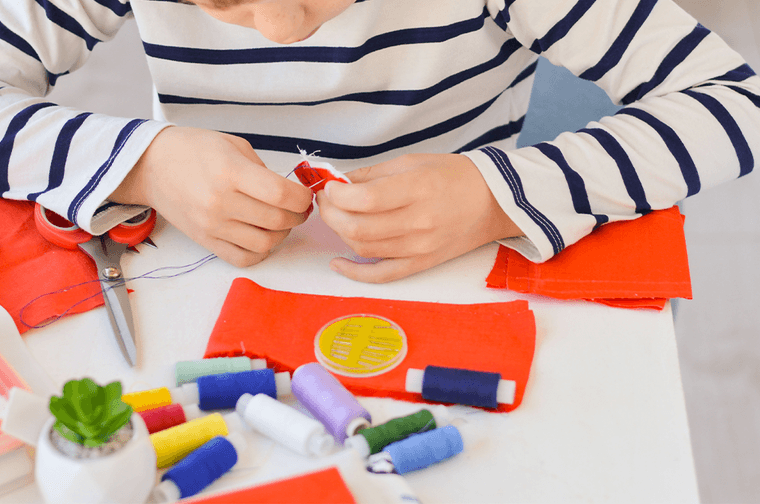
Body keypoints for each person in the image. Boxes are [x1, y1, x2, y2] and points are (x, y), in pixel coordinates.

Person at [1, 0, 758, 283]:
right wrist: (142, 163)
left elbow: (738, 103)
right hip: (201, 271)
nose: (283, 30)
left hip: (465, 268)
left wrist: (501, 195)